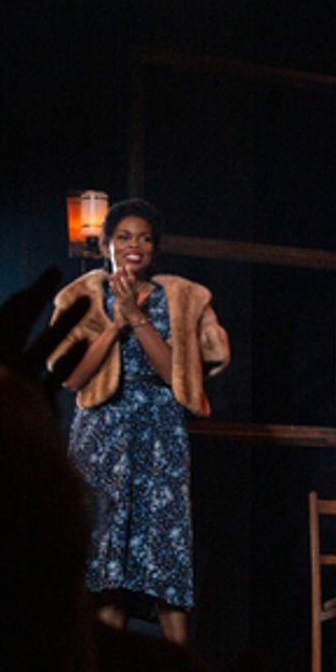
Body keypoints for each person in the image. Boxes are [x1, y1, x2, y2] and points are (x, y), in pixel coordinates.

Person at [50, 198, 230, 646]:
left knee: (164, 561)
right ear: (107, 243)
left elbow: (178, 378)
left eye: (145, 238)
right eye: (125, 237)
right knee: (107, 570)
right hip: (102, 436)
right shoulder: (83, 298)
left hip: (159, 436)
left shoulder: (177, 298)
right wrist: (115, 323)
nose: (136, 245)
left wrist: (140, 321)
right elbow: (72, 377)